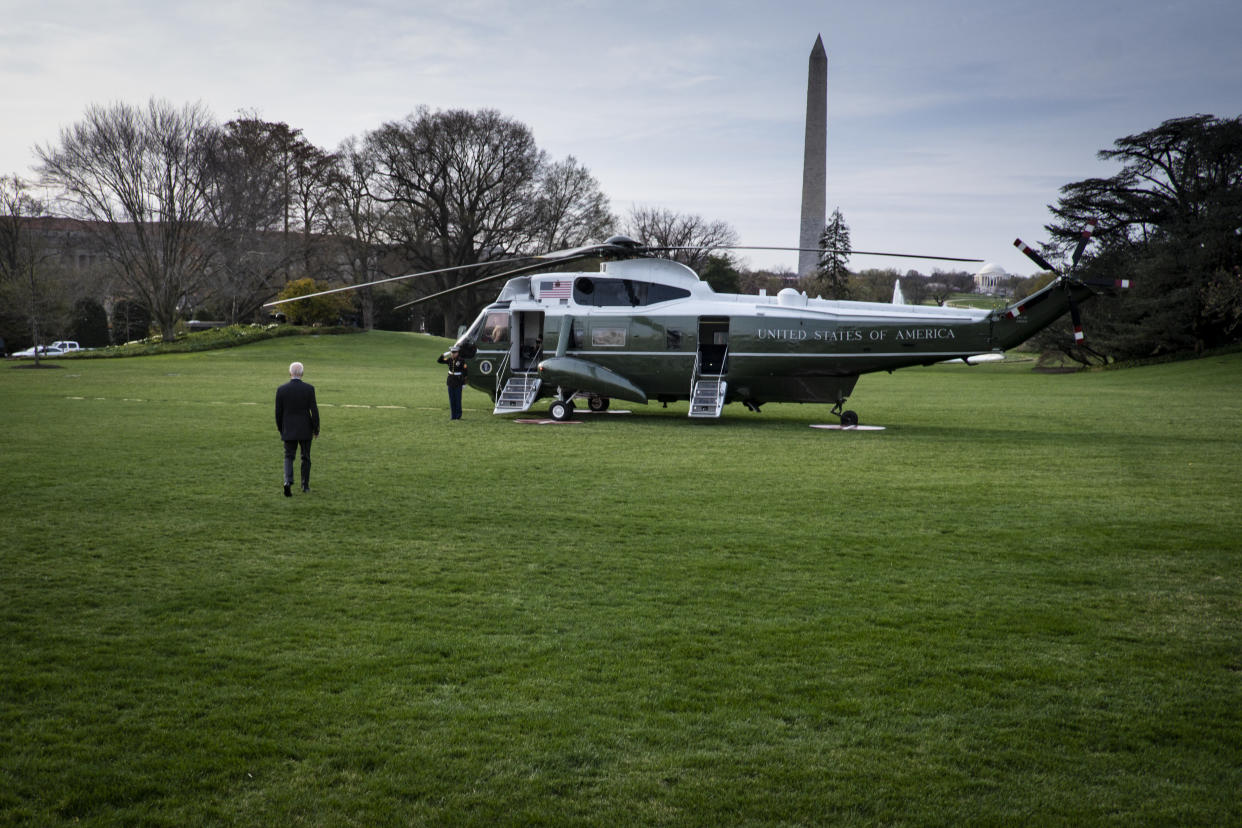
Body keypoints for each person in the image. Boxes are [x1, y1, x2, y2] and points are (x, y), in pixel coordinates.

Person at [275, 361, 320, 496]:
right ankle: (305, 485)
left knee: (289, 456)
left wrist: (281, 428)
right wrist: (316, 428)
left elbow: (278, 413)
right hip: (305, 428)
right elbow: (314, 411)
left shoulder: (281, 389)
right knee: (305, 457)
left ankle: (288, 481)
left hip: (289, 428)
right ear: (302, 373)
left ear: (290, 373)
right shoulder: (309, 389)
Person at [437, 345, 468, 420]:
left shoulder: (461, 360)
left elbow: (465, 372)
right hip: (450, 381)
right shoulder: (449, 360)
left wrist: (464, 383)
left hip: (458, 381)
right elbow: (439, 361)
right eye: (452, 352)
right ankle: (453, 416)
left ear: (457, 352)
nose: (453, 354)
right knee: (452, 399)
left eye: (454, 352)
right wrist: (444, 354)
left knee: (457, 399)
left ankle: (458, 415)